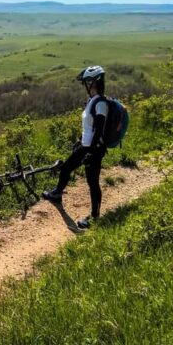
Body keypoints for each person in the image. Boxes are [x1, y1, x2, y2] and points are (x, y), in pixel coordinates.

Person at [42, 65, 108, 229]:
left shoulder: (100, 103)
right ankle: (57, 194)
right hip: (85, 146)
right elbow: (89, 127)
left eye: (86, 82)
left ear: (92, 82)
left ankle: (94, 217)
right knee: (66, 168)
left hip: (94, 149)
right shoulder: (91, 101)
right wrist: (80, 140)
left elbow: (99, 129)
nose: (84, 85)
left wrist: (91, 152)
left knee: (92, 182)